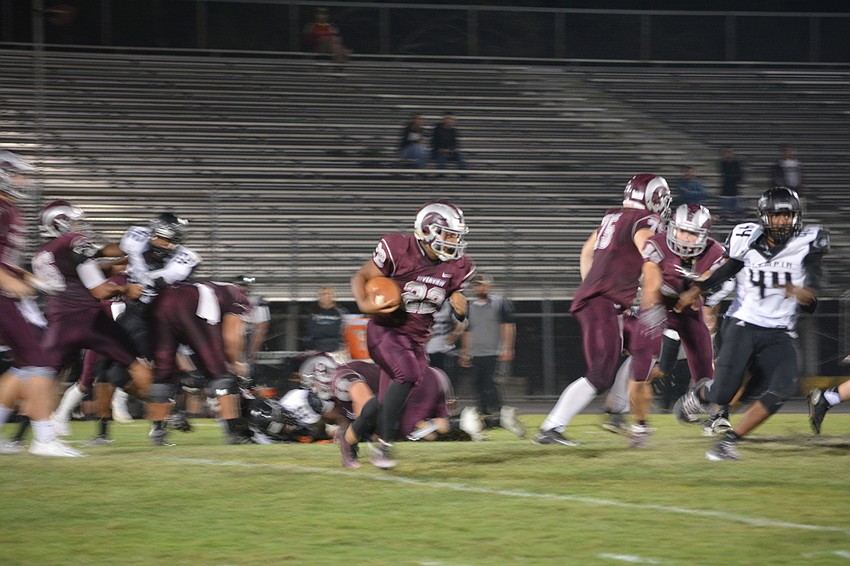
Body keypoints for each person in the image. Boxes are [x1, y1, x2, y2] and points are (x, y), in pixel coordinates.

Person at [673, 187, 828, 461]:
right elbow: (726, 270)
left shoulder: (809, 241)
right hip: (744, 323)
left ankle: (728, 442)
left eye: (787, 215)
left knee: (784, 386)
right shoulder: (746, 236)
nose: (781, 221)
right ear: (764, 217)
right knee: (723, 391)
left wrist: (805, 294)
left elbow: (813, 287)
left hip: (780, 332)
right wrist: (693, 293)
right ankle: (701, 394)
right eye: (776, 215)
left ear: (797, 217)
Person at [534, 174, 671, 447]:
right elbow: (648, 249)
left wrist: (590, 284)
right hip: (604, 303)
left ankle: (616, 411)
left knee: (643, 349)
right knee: (600, 374)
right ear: (655, 199)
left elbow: (587, 250)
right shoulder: (645, 220)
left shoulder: (614, 217)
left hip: (605, 302)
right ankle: (551, 428)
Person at [351, 201, 475, 468]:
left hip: (417, 340)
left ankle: (350, 438)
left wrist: (461, 309)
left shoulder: (458, 267)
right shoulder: (399, 249)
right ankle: (383, 446)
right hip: (385, 330)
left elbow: (455, 298)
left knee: (386, 405)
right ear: (429, 231)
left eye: (457, 235)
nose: (455, 241)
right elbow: (361, 276)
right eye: (449, 234)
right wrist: (365, 304)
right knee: (406, 374)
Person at [622, 204, 725, 446]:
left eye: (692, 233)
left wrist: (705, 304)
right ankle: (640, 427)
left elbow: (714, 280)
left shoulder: (714, 250)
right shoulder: (656, 245)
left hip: (690, 312)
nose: (686, 238)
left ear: (704, 236)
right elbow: (650, 278)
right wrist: (650, 311)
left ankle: (713, 415)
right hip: (658, 306)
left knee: (706, 369)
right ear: (672, 229)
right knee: (642, 370)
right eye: (681, 231)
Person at [149, 280, 253, 445]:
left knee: (163, 373)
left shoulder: (214, 288)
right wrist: (236, 363)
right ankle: (234, 434)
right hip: (191, 303)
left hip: (160, 300)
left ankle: (158, 433)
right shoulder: (237, 297)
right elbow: (231, 337)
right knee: (220, 374)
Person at [458, 274, 524, 438]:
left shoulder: (499, 303)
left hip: (493, 351)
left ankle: (501, 412)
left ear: (489, 286)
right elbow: (467, 331)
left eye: (484, 285)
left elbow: (508, 326)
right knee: (478, 384)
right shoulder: (469, 306)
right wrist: (465, 352)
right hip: (477, 352)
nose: (481, 288)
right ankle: (485, 417)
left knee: (490, 382)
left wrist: (507, 347)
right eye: (478, 285)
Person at [234, 275, 270, 367]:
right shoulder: (229, 300)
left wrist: (253, 350)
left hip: (247, 336)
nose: (241, 288)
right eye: (239, 285)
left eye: (243, 285)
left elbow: (261, 327)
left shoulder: (257, 301)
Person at [305, 286, 348, 353]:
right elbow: (312, 332)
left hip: (337, 349)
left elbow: (342, 332)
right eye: (323, 294)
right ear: (319, 296)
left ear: (333, 296)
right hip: (316, 349)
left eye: (328, 294)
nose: (326, 296)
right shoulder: (312, 311)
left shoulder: (342, 312)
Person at [425, 300, 463, 376]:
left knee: (445, 378)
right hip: (427, 350)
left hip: (445, 350)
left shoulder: (450, 304)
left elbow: (461, 322)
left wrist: (455, 334)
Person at [719, 147, 744, 221]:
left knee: (737, 208)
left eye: (730, 152)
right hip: (726, 188)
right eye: (727, 152)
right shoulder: (723, 164)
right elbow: (725, 174)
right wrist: (732, 176)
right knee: (725, 209)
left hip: (735, 189)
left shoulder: (737, 164)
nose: (729, 154)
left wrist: (731, 176)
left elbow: (739, 177)